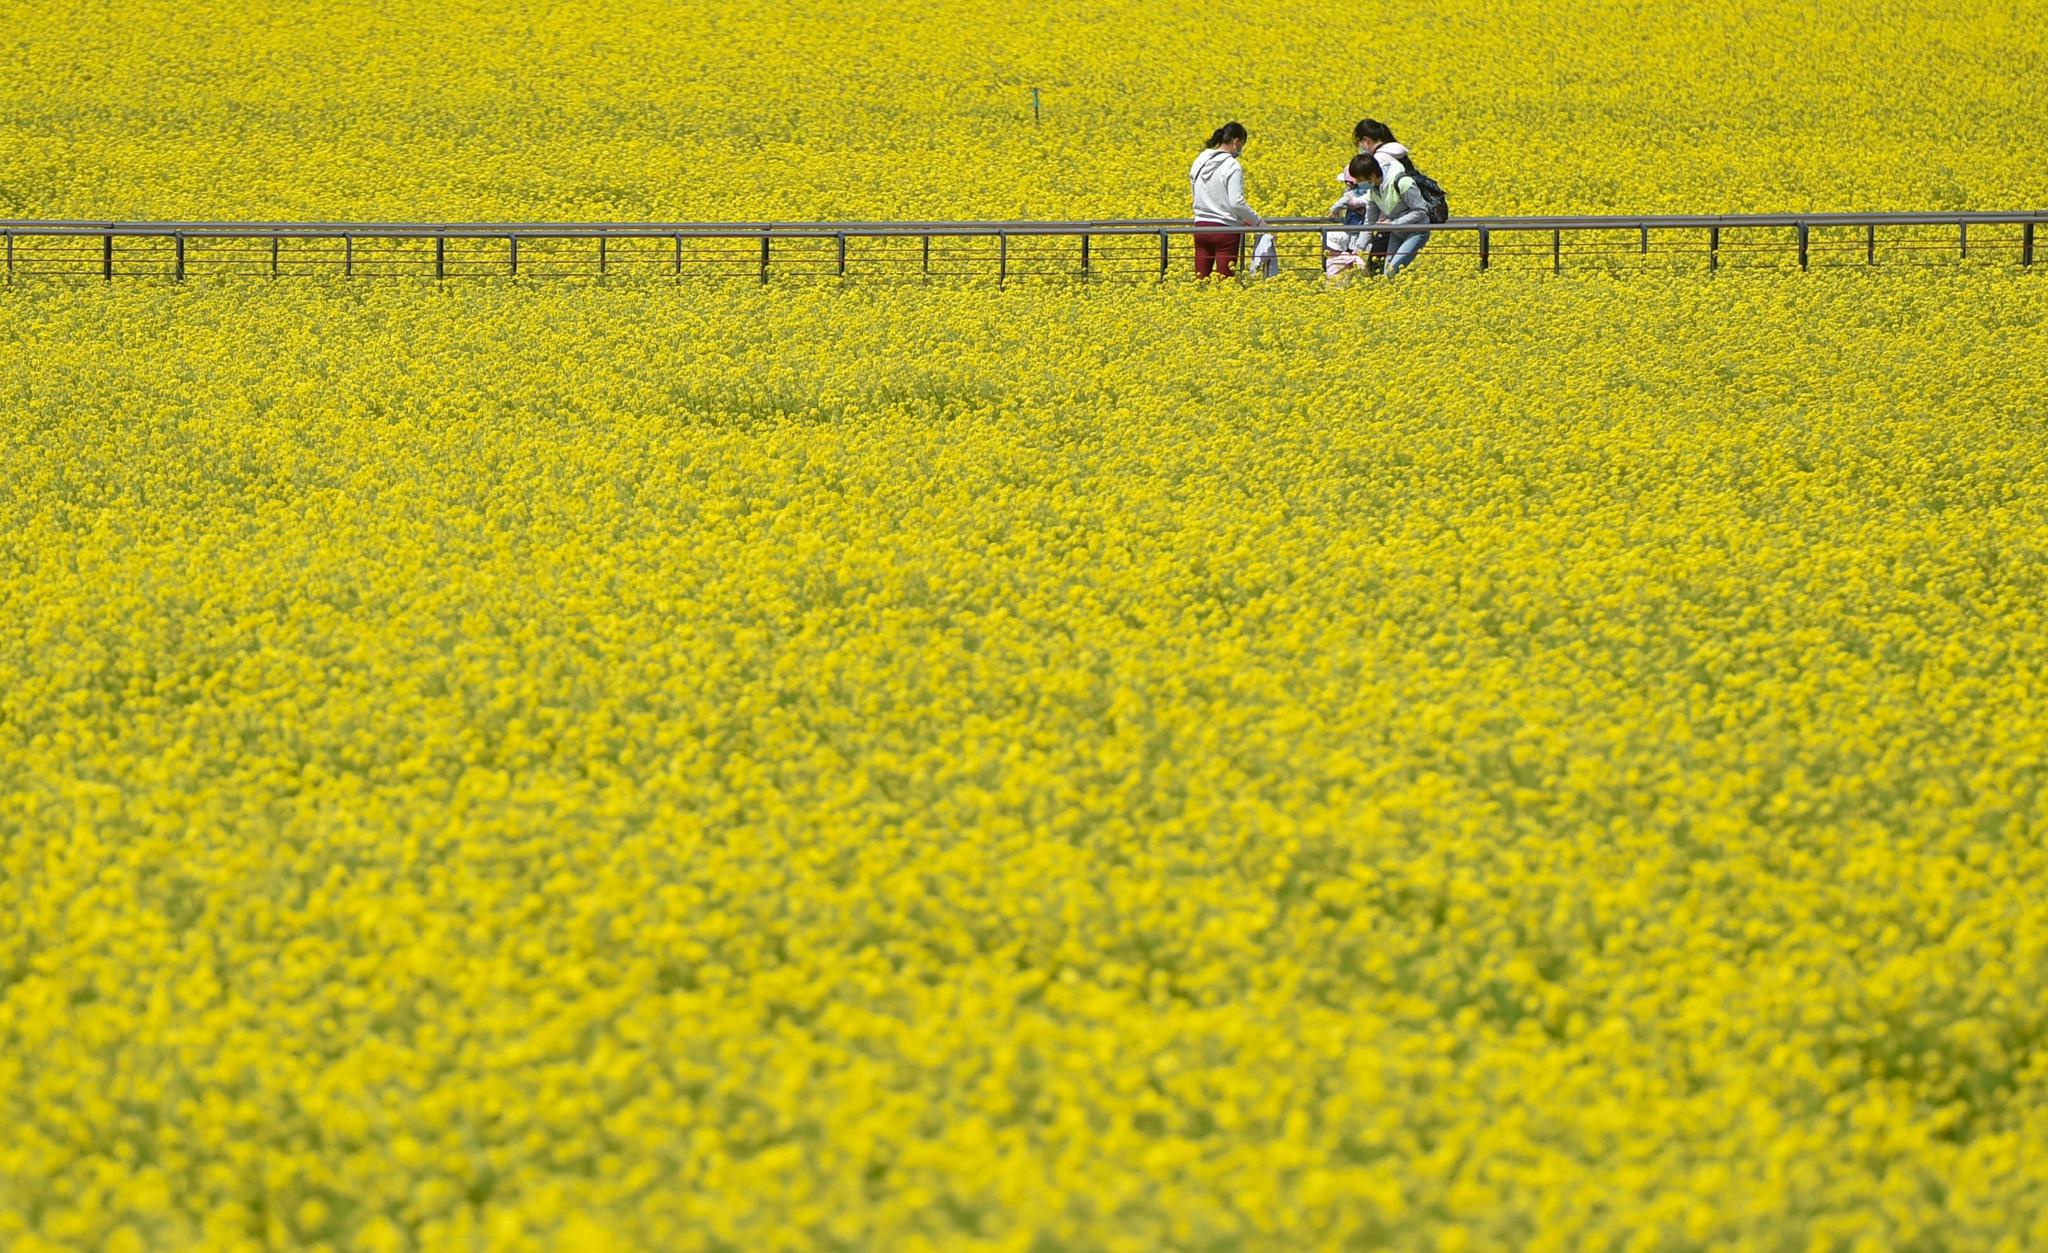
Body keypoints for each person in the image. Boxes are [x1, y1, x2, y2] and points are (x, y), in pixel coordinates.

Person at [1190, 122, 1264, 278]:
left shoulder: (1201, 159)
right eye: (1242, 145)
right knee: (1225, 283)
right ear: (1236, 142)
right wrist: (1258, 223)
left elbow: (1194, 190)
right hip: (1225, 230)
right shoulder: (1232, 165)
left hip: (1200, 227)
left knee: (1200, 281)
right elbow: (1236, 202)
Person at [1355, 155, 1431, 277]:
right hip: (1396, 232)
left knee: (1392, 271)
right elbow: (1370, 221)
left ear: (1372, 175)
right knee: (1387, 272)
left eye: (1360, 180)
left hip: (1416, 230)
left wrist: (1393, 224)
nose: (1358, 184)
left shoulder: (1403, 182)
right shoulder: (1373, 191)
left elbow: (1421, 210)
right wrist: (1359, 248)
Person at [1324, 154, 1378, 278]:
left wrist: (1334, 210)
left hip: (1352, 226)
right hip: (1364, 227)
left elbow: (1341, 202)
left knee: (1351, 245)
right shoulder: (1369, 192)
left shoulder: (1351, 194)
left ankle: (1354, 260)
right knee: (1362, 243)